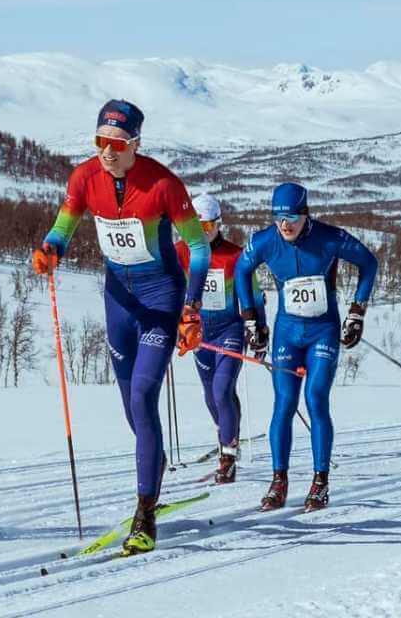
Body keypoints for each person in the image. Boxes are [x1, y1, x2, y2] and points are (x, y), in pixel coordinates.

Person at [32, 99, 210, 554]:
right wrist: (51, 249)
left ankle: (144, 512)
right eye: (99, 141)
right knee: (133, 410)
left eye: (116, 143)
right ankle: (154, 465)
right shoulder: (84, 177)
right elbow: (64, 227)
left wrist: (191, 309)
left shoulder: (163, 184)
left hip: (160, 297)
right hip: (118, 299)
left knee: (143, 394)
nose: (107, 151)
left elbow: (199, 248)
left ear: (135, 144)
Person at [234, 182, 378, 513]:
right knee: (283, 403)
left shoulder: (329, 238)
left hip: (322, 332)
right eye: (278, 218)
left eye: (292, 218)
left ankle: (320, 481)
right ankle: (279, 479)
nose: (284, 225)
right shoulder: (265, 241)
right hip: (287, 333)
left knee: (315, 399)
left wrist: (357, 312)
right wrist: (251, 319)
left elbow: (368, 263)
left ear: (306, 214)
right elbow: (241, 271)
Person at [177, 193, 249, 484]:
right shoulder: (180, 252)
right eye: (195, 228)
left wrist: (257, 324)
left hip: (230, 330)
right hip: (200, 336)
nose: (201, 233)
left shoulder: (234, 255)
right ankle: (228, 434)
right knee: (212, 396)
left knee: (222, 391)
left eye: (207, 227)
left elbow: (252, 294)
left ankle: (228, 456)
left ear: (219, 225)